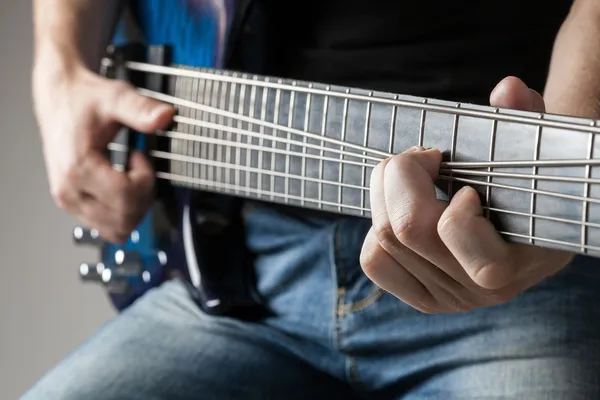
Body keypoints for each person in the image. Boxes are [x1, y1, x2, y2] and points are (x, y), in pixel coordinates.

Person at [25, 0, 600, 398]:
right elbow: (64, 60)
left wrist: (565, 181)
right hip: (235, 273)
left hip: (515, 262)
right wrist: (60, 67)